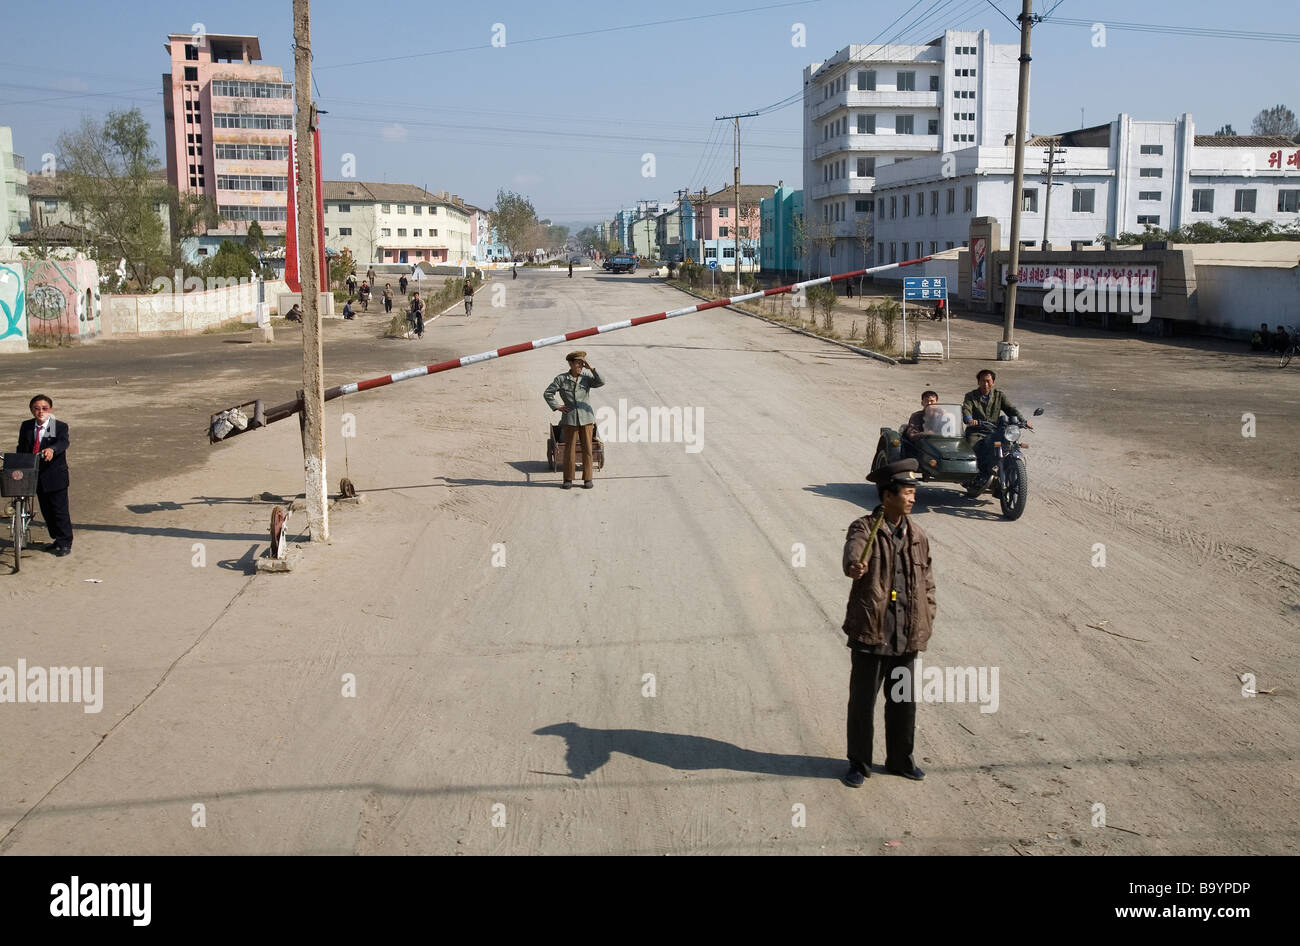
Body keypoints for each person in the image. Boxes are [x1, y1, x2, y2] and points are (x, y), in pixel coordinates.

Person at [840, 458, 935, 786]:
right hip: (872, 631)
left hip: (906, 635)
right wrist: (855, 566)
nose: (912, 498)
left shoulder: (918, 536)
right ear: (887, 497)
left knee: (903, 702)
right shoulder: (863, 529)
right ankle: (858, 763)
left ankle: (900, 760)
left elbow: (928, 584)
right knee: (862, 704)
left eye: (913, 493)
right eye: (906, 493)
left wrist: (927, 617)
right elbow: (853, 556)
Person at [17, 395, 74, 557]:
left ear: (50, 409)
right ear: (31, 410)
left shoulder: (57, 426)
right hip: (34, 475)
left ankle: (65, 542)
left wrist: (52, 449)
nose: (40, 411)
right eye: (36, 408)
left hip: (55, 475)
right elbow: (21, 447)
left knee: (59, 510)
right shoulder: (27, 426)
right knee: (47, 510)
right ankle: (57, 538)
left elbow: (63, 442)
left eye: (44, 408)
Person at [961, 369, 1031, 497]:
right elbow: (966, 409)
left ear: (993, 383)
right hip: (976, 431)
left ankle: (1002, 474)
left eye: (988, 381)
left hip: (994, 430)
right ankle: (971, 477)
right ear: (978, 382)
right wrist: (969, 419)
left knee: (1006, 447)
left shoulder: (999, 395)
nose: (985, 384)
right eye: (983, 381)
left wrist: (1023, 421)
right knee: (971, 450)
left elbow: (1011, 409)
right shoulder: (970, 396)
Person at [543, 351, 606, 490]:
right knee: (569, 450)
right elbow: (548, 393)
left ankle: (588, 479)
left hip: (586, 418)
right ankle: (568, 479)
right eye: (577, 363)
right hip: (570, 419)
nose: (580, 366)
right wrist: (557, 406)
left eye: (582, 363)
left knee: (588, 449)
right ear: (570, 364)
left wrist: (591, 368)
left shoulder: (586, 378)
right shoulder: (561, 379)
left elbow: (601, 381)